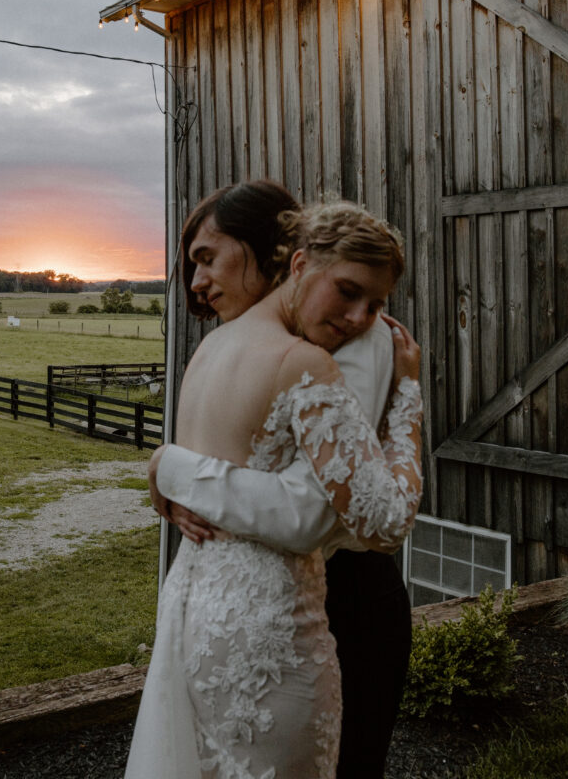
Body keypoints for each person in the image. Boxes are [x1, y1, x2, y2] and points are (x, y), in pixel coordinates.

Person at [125, 187, 423, 779]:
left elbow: (313, 513)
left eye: (209, 257)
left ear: (274, 253)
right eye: (194, 264)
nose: (198, 280)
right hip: (255, 617)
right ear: (299, 263)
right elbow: (347, 513)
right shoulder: (275, 350)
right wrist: (168, 464)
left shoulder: (348, 344)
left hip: (338, 601)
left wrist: (173, 467)